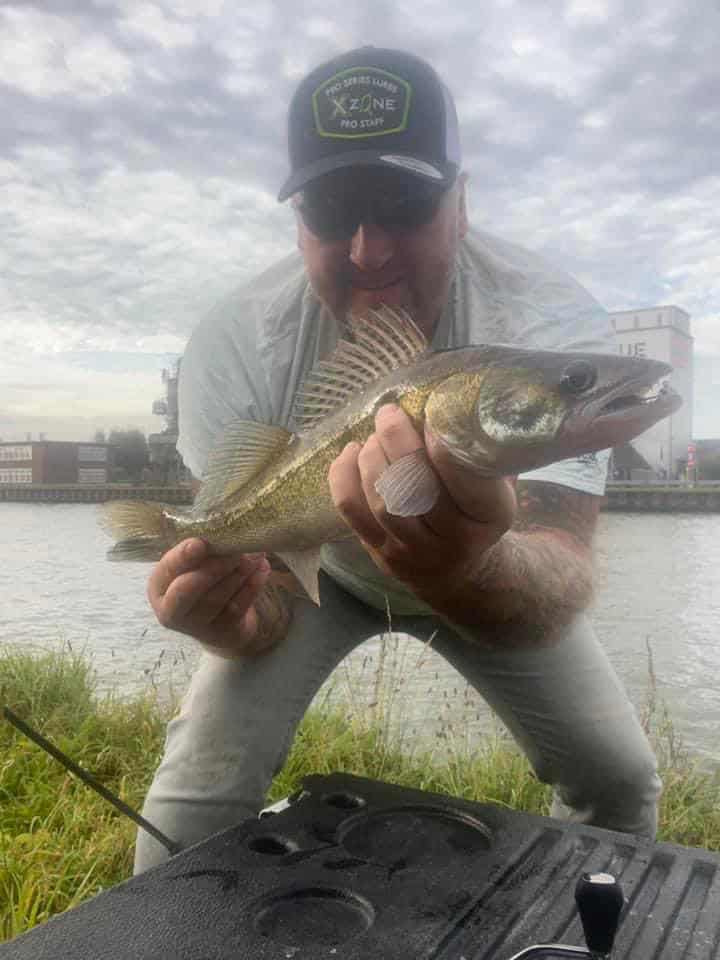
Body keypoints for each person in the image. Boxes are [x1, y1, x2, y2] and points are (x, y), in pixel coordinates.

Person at [133, 46, 660, 874]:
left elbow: (557, 566)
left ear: (462, 201)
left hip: (494, 562)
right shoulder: (235, 341)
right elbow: (265, 591)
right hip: (322, 568)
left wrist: (460, 571)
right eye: (333, 209)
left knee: (621, 779)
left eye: (405, 201)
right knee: (193, 794)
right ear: (299, 219)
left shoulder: (551, 320)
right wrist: (230, 621)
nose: (368, 249)